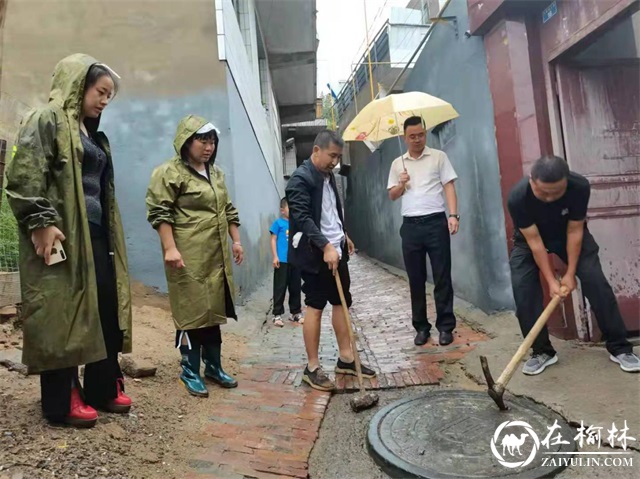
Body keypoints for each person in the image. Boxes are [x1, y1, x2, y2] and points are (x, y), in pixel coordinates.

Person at [5, 54, 133, 428]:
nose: (104, 100)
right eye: (100, 91)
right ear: (78, 84)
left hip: (96, 234)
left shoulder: (93, 135)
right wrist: (39, 221)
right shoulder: (45, 120)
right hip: (60, 233)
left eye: (109, 95)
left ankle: (101, 385)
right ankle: (62, 398)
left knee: (105, 306)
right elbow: (23, 174)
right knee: (62, 312)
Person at [507, 155, 640, 375]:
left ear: (567, 181)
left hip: (566, 234)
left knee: (594, 279)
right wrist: (552, 281)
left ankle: (620, 347)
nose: (549, 199)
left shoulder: (579, 187)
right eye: (543, 193)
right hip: (530, 240)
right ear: (531, 180)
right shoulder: (518, 197)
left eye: (556, 193)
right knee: (523, 289)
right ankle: (542, 352)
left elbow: (575, 230)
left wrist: (569, 274)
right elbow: (535, 243)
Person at [146, 115, 244, 397]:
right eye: (202, 140)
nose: (208, 146)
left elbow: (228, 210)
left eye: (212, 140)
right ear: (186, 141)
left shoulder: (217, 174)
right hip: (187, 254)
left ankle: (213, 366)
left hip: (216, 255)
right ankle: (189, 370)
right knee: (191, 312)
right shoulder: (169, 172)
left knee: (213, 311)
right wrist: (170, 247)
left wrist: (236, 241)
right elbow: (159, 211)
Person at [286, 130, 376, 391]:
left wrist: (342, 235)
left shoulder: (328, 176)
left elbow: (330, 211)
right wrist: (325, 245)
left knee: (341, 301)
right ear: (316, 150)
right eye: (331, 155)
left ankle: (346, 359)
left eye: (338, 156)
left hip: (336, 249)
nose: (335, 161)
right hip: (316, 254)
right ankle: (312, 368)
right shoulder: (300, 179)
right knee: (315, 305)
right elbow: (303, 218)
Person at [387, 116, 459, 347]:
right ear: (404, 137)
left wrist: (453, 215)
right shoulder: (398, 164)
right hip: (410, 227)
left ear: (425, 133)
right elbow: (392, 195)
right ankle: (421, 327)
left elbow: (449, 185)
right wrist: (401, 183)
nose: (417, 139)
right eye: (412, 136)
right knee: (415, 279)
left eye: (421, 134)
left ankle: (446, 327)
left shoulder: (438, 157)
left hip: (436, 223)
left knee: (442, 276)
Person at [270, 197, 303, 327]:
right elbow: (273, 240)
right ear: (282, 210)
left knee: (295, 287)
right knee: (280, 287)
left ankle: (295, 312)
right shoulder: (278, 223)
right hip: (282, 261)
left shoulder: (296, 224)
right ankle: (277, 314)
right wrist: (275, 256)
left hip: (295, 261)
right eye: (290, 208)